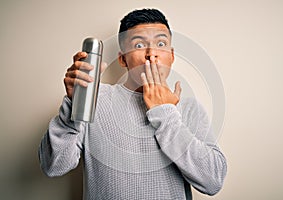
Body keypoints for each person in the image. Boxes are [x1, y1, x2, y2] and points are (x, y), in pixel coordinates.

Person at [39, 8, 227, 200]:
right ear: (122, 59)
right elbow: (54, 166)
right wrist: (73, 103)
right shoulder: (93, 99)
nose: (151, 54)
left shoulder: (189, 109)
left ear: (171, 56)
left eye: (160, 43)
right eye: (138, 45)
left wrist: (166, 114)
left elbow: (212, 181)